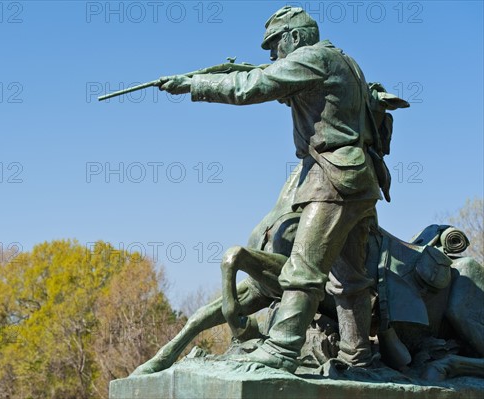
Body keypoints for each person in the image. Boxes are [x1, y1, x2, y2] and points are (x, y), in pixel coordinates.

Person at [160, 6, 383, 372]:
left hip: (332, 178)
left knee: (302, 268)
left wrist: (193, 84)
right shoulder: (342, 60)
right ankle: (356, 355)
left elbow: (254, 87)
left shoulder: (312, 57)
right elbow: (276, 82)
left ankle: (281, 347)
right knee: (350, 281)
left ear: (294, 38)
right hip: (358, 178)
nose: (271, 55)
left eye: (274, 45)